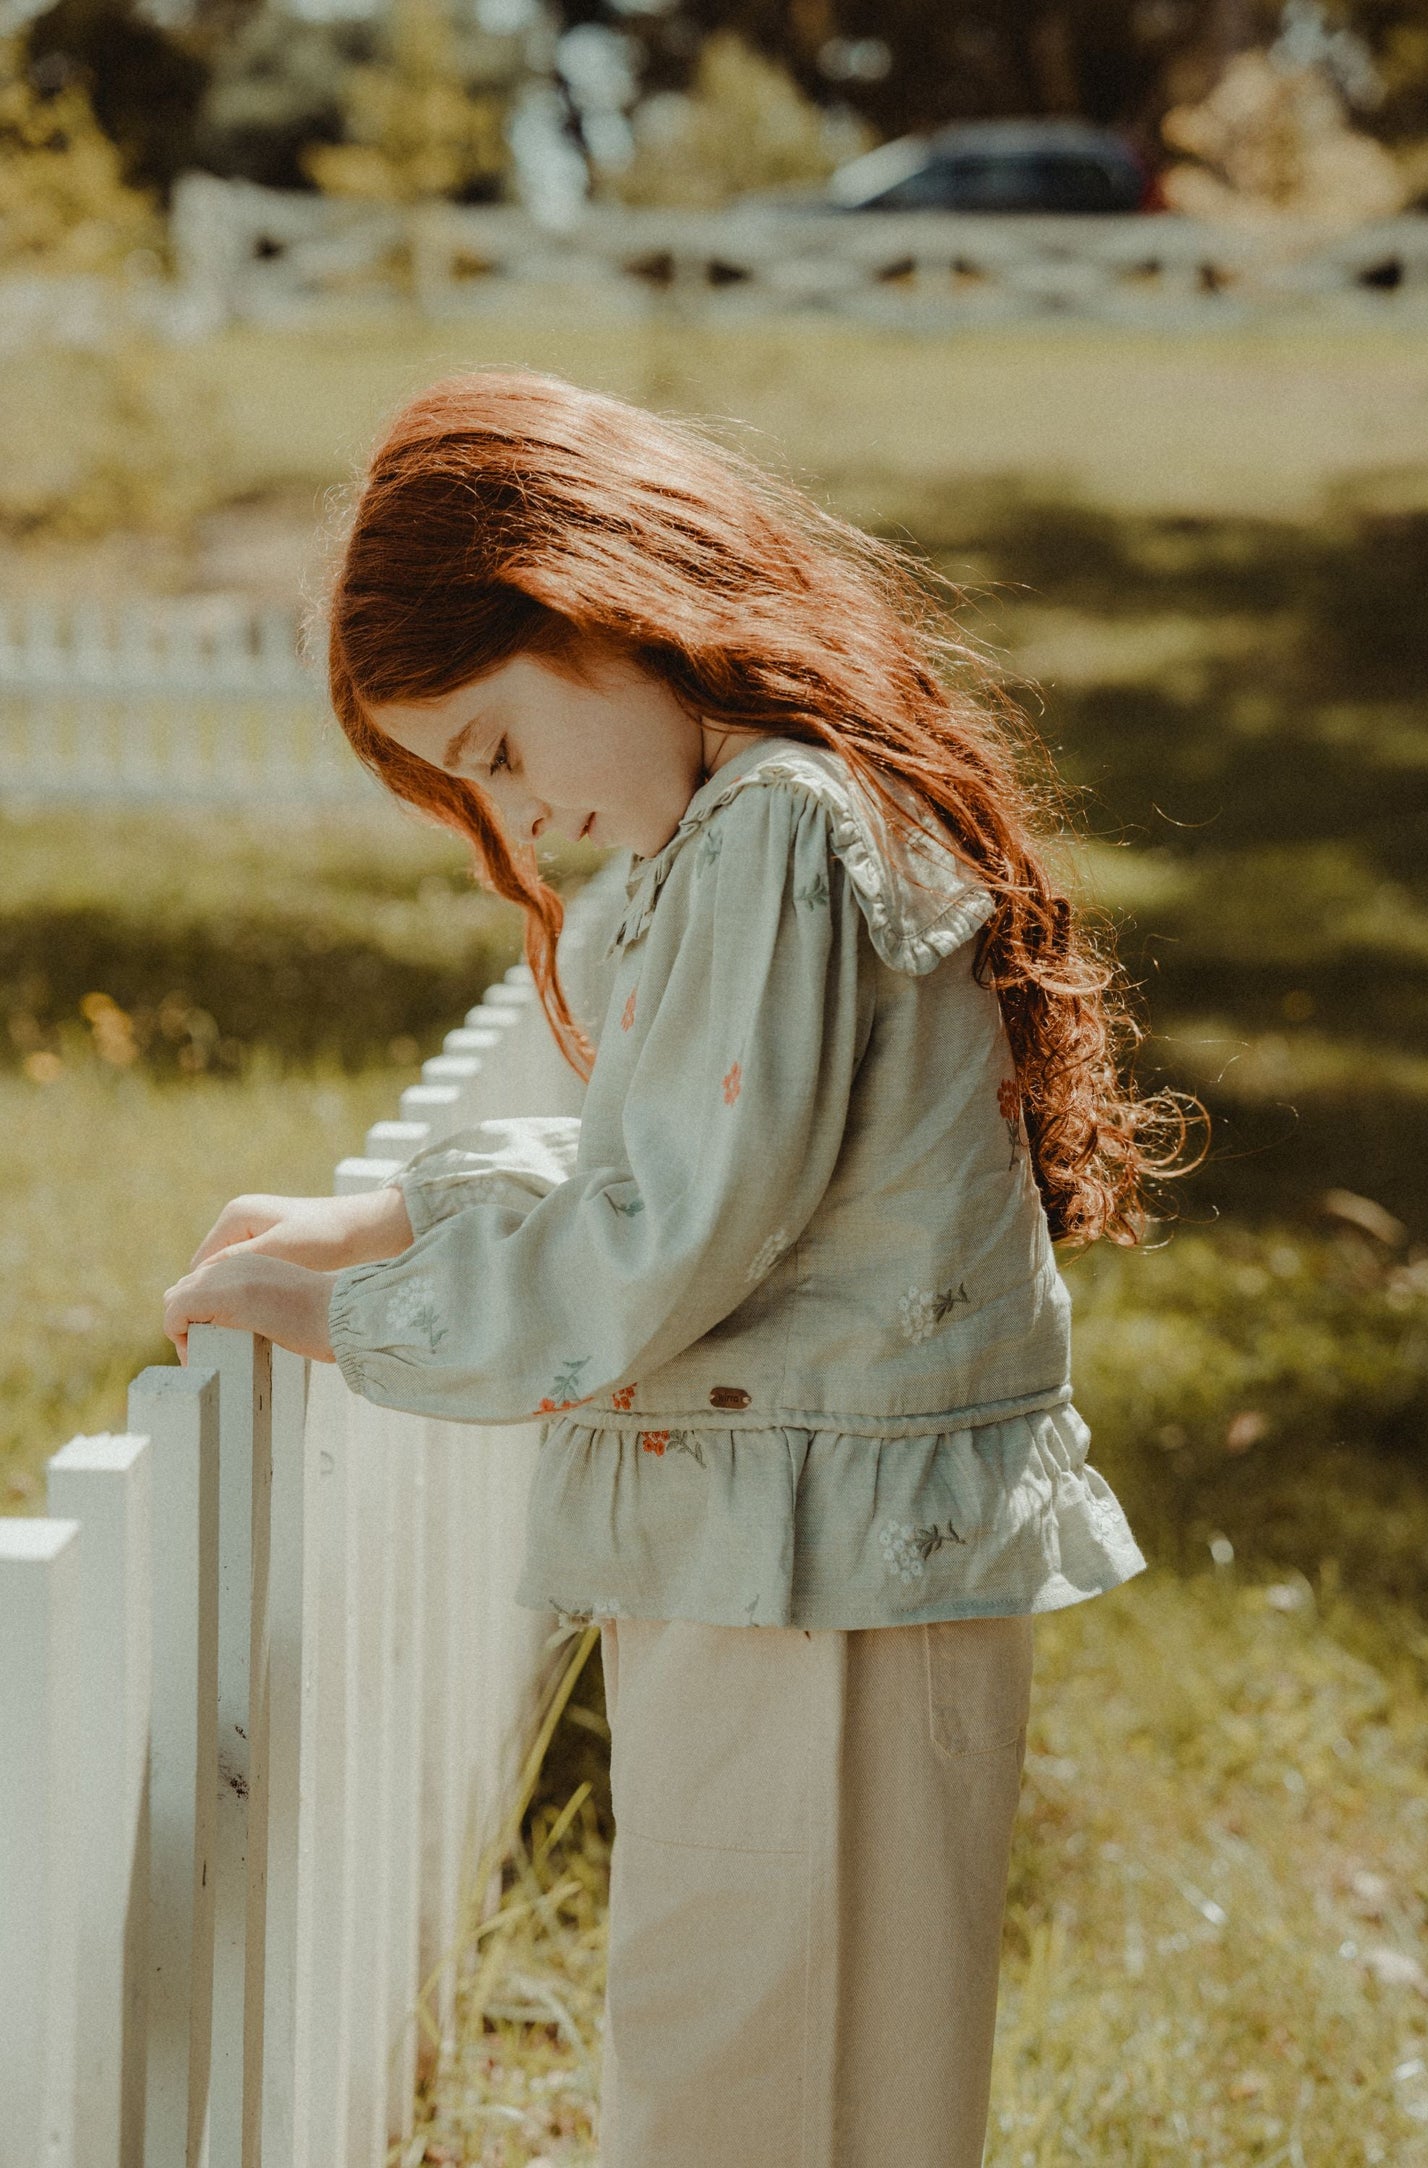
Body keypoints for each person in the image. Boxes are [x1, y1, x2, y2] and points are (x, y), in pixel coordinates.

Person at [163, 369, 1197, 2168]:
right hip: (811, 1537)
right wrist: (408, 1208)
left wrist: (362, 1320)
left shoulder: (774, 834)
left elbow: (672, 1239)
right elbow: (740, 1173)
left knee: (745, 2063)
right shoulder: (773, 815)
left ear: (600, 604)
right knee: (822, 2057)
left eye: (491, 750)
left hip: (803, 1567)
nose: (522, 821)